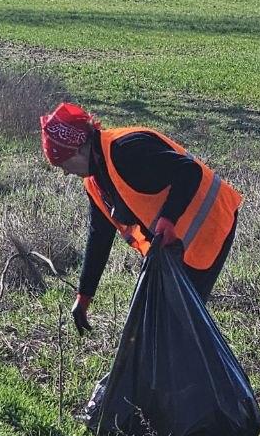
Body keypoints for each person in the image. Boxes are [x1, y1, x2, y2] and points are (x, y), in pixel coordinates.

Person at [39, 102, 242, 335]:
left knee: (181, 324)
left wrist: (168, 218)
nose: (65, 172)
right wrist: (84, 295)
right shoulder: (95, 182)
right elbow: (100, 236)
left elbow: (189, 171)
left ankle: (201, 359)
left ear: (79, 149)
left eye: (63, 164)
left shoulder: (126, 151)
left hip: (211, 225)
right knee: (161, 322)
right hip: (174, 246)